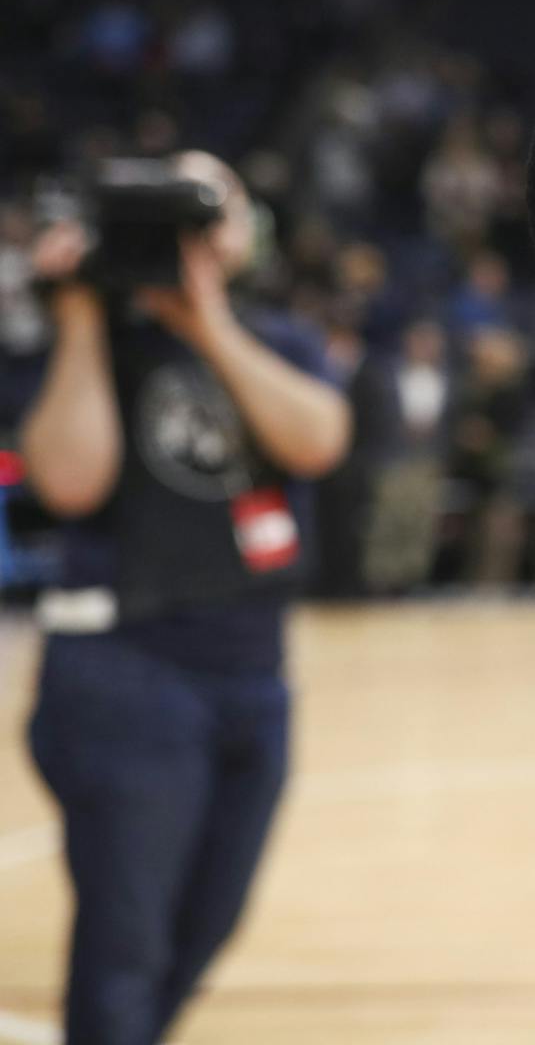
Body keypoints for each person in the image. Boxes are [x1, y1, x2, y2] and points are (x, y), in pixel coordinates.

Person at [18, 150, 352, 1045]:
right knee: (125, 946)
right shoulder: (93, 337)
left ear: (242, 234)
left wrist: (204, 322)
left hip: (253, 675)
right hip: (127, 670)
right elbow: (69, 482)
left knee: (208, 925)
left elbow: (319, 439)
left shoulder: (278, 340)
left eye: (208, 209)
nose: (190, 237)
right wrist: (82, 315)